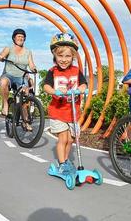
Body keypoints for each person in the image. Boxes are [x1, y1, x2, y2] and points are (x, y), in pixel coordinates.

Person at [43, 32, 88, 175]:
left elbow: (84, 84)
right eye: (60, 56)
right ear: (54, 56)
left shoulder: (76, 71)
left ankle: (66, 160)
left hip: (73, 113)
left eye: (68, 56)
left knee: (71, 139)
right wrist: (54, 91)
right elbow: (46, 86)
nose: (64, 59)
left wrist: (81, 89)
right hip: (58, 111)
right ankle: (62, 164)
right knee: (63, 138)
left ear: (73, 56)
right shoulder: (53, 72)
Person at [0, 29, 37, 120]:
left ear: (24, 39)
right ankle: (5, 105)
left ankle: (25, 120)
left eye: (22, 37)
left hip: (22, 77)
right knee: (3, 82)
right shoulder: (9, 48)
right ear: (14, 38)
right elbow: (1, 55)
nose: (20, 38)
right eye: (18, 36)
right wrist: (1, 57)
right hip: (9, 74)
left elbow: (31, 64)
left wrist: (34, 68)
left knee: (25, 94)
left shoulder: (28, 52)